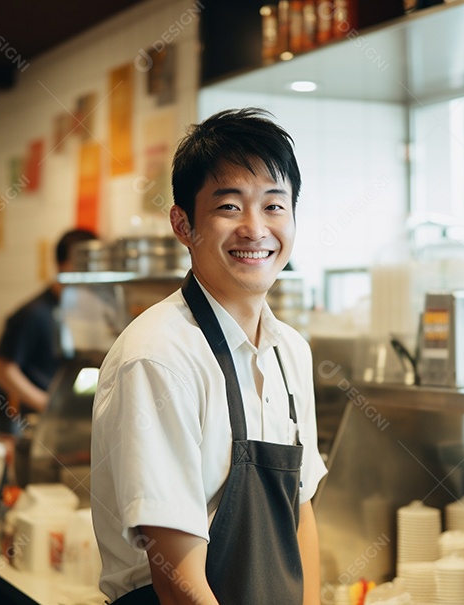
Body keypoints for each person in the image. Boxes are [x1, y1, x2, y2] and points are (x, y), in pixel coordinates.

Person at [91, 108, 327, 604]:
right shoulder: (158, 357)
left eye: (273, 205)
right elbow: (178, 581)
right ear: (183, 223)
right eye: (229, 207)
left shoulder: (291, 353)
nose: (255, 228)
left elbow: (300, 510)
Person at [0, 228, 96, 418]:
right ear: (61, 264)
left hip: (76, 415)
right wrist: (46, 405)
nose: (89, 271)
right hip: (38, 421)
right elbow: (2, 370)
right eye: (82, 263)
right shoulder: (34, 313)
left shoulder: (84, 309)